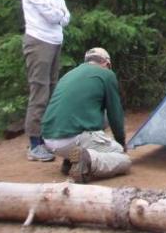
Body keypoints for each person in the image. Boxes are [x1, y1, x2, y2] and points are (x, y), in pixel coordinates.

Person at [41, 47, 131, 183]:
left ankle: (70, 160)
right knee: (122, 158)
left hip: (49, 139)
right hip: (72, 138)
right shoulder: (106, 74)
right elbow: (115, 113)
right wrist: (121, 142)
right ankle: (87, 160)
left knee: (96, 114)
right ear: (106, 64)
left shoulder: (68, 75)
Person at [22, 0, 72, 161]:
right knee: (39, 91)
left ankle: (46, 138)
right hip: (39, 41)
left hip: (53, 41)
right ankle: (34, 143)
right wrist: (60, 14)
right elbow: (53, 15)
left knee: (51, 89)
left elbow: (65, 14)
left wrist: (60, 14)